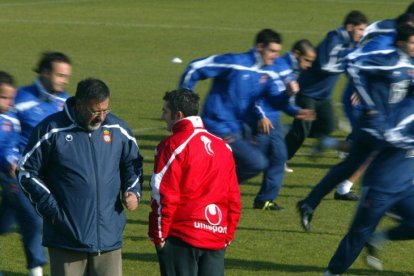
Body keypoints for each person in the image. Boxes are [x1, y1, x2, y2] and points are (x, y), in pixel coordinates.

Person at [17, 78, 144, 276]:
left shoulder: (118, 129)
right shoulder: (51, 130)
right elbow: (26, 171)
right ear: (79, 105)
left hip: (108, 239)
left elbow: (133, 162)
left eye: (105, 110)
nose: (101, 117)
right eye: (95, 111)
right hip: (66, 239)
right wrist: (52, 211)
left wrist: (132, 190)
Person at [297, 23, 414, 233]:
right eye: (413, 42)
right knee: (388, 159)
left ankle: (309, 202)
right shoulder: (387, 59)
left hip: (389, 124)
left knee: (351, 165)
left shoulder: (407, 64)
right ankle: (390, 211)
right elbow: (352, 66)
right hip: (375, 124)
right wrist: (368, 102)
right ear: (401, 42)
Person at [179, 29, 298, 210]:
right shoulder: (235, 63)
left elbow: (271, 101)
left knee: (245, 161)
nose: (275, 56)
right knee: (256, 162)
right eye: (272, 51)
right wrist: (185, 101)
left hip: (236, 129)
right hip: (216, 126)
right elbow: (195, 68)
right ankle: (206, 193)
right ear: (259, 47)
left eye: (277, 52)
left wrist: (287, 94)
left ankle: (202, 194)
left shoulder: (264, 74)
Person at [148, 89, 241, 276]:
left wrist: (158, 235)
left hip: (181, 238)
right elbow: (233, 198)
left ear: (178, 115)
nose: (162, 116)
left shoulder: (172, 145)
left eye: (165, 111)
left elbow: (164, 193)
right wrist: (226, 235)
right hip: (216, 237)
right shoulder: (223, 147)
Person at [323, 85, 414, 275]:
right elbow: (385, 137)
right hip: (380, 186)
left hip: (405, 186)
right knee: (359, 233)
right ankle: (333, 272)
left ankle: (378, 238)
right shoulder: (405, 111)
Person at [284, 10, 368, 201]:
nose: (362, 33)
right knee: (302, 131)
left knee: (328, 126)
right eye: (360, 29)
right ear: (349, 27)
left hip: (324, 96)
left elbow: (353, 65)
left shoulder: (351, 43)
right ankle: (281, 159)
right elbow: (324, 65)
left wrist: (356, 86)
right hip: (307, 92)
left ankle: (289, 130)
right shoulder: (334, 38)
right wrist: (345, 65)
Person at [3, 51, 73, 276]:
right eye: (60, 75)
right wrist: (12, 160)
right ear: (45, 73)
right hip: (19, 172)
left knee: (6, 222)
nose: (64, 81)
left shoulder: (65, 102)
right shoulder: (20, 99)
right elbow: (8, 133)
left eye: (66, 76)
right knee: (35, 218)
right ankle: (36, 270)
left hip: (50, 174)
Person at [0, 71, 20, 276]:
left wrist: (12, 160)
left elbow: (11, 146)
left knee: (6, 224)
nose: (9, 102)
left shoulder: (11, 120)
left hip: (6, 177)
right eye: (4, 97)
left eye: (11, 98)